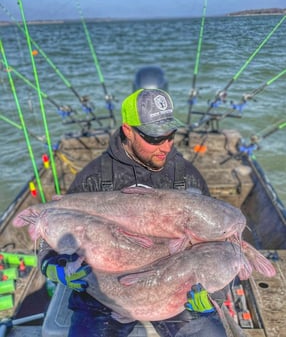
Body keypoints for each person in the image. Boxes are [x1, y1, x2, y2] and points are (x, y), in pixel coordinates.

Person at [39, 88, 228, 337]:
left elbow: (218, 245)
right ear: (128, 130)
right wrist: (55, 269)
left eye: (170, 135)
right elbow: (48, 238)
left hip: (173, 291)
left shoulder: (187, 178)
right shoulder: (94, 179)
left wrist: (213, 293)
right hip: (103, 298)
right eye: (154, 138)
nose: (165, 146)